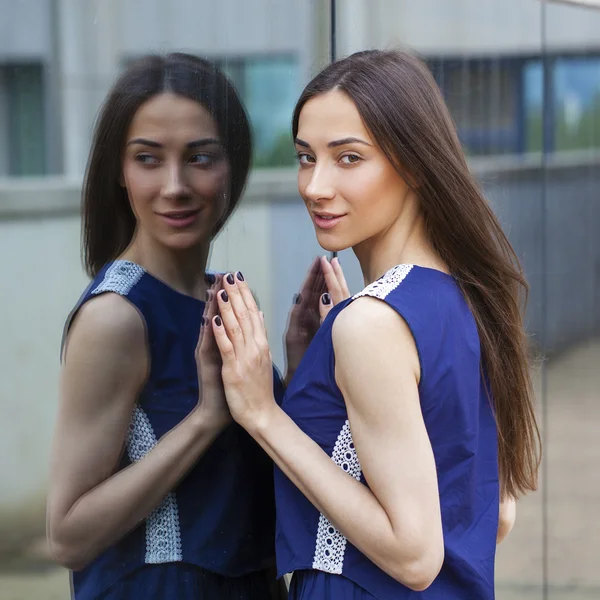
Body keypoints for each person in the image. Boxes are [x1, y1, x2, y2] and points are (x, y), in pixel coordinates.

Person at [206, 50, 541, 599]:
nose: (315, 185)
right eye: (305, 157)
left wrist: (262, 414)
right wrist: (323, 364)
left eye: (348, 158)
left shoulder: (373, 324)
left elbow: (415, 556)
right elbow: (496, 514)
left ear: (412, 162)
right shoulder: (464, 297)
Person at [46, 53, 286, 600]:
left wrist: (302, 361)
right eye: (148, 159)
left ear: (233, 167)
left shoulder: (215, 295)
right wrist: (203, 421)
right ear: (120, 173)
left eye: (200, 158)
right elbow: (67, 535)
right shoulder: (116, 317)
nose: (175, 186)